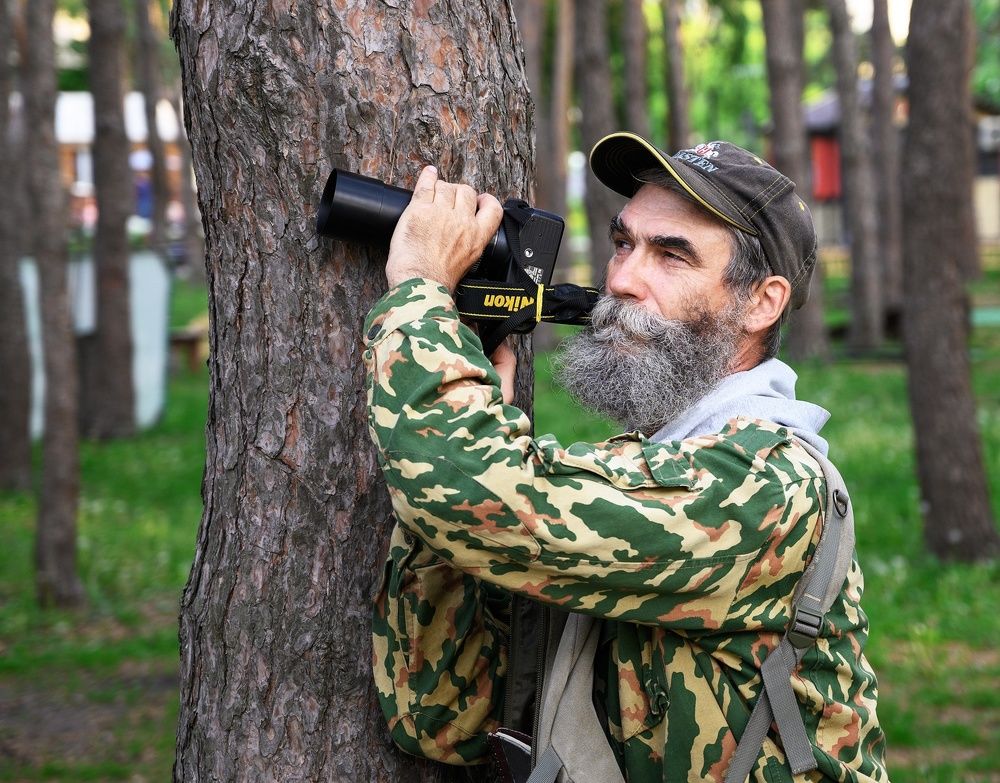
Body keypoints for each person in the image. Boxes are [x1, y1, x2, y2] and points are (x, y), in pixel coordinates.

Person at [362, 133, 888, 783]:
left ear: (762, 301)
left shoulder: (764, 488)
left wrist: (419, 288)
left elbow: (462, 499)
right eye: (623, 243)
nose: (621, 280)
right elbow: (440, 715)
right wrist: (468, 437)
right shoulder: (651, 469)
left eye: (671, 255)